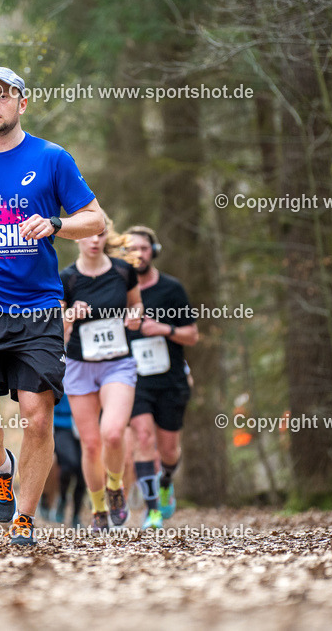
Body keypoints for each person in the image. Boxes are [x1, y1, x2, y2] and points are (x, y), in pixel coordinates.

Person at [0, 66, 105, 546]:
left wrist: (54, 224)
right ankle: (1, 467)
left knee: (37, 413)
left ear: (21, 104)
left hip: (37, 307)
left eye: (2, 96)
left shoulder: (51, 159)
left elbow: (94, 219)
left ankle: (24, 520)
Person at [60, 218, 142, 531]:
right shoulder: (66, 278)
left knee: (112, 432)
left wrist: (133, 318)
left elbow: (136, 306)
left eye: (100, 234)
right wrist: (70, 315)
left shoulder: (123, 271)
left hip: (117, 363)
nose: (94, 240)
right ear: (76, 238)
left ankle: (116, 488)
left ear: (107, 236)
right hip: (80, 365)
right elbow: (57, 325)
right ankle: (97, 511)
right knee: (91, 445)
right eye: (88, 235)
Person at [124, 225, 199, 529]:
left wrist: (164, 329)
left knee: (168, 449)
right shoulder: (118, 290)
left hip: (169, 379)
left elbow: (192, 335)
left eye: (143, 248)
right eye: (130, 249)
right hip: (134, 378)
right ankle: (152, 509)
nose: (137, 254)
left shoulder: (172, 289)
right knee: (143, 437)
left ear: (152, 252)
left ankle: (166, 480)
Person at [51, 393, 85, 528]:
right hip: (61, 425)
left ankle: (76, 515)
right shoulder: (60, 371)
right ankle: (63, 499)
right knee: (69, 464)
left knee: (83, 472)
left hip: (84, 424)